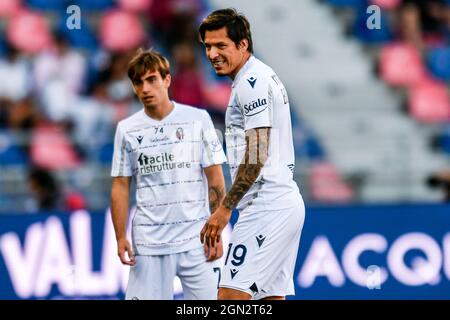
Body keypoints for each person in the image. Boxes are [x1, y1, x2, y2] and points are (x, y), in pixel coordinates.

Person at [199, 8, 306, 300]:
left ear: (243, 44)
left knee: (230, 300)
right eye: (208, 46)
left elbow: (257, 153)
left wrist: (224, 209)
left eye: (221, 45)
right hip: (282, 203)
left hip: (266, 206)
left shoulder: (251, 83)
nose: (212, 54)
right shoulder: (258, 76)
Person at [110, 49, 227, 300]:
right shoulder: (126, 129)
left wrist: (216, 231)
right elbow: (120, 184)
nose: (145, 88)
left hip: (197, 240)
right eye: (138, 82)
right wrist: (120, 236)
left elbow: (215, 176)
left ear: (167, 80)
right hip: (149, 243)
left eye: (151, 79)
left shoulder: (198, 119)